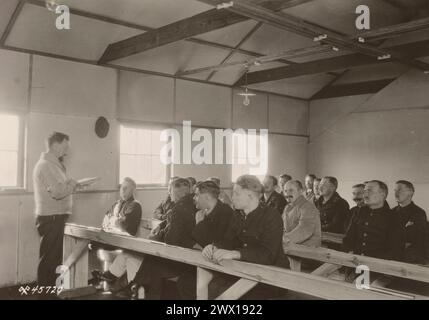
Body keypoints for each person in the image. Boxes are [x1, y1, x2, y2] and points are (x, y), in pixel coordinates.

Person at [202, 175, 284, 299]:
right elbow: (228, 240)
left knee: (227, 293)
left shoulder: (271, 216)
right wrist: (214, 247)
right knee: (213, 287)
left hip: (271, 278)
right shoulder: (238, 215)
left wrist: (237, 254)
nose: (232, 198)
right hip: (245, 271)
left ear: (250, 195)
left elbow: (268, 254)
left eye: (236, 194)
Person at [131, 178, 198, 299]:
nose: (169, 194)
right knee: (152, 260)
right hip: (191, 254)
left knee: (153, 262)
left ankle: (139, 287)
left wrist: (157, 235)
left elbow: (170, 240)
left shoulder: (178, 209)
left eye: (170, 191)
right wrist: (162, 226)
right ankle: (137, 285)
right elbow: (170, 221)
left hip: (183, 260)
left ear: (177, 192)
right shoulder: (194, 205)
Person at [33, 132, 80, 288]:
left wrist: (72, 185)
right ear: (55, 145)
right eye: (65, 147)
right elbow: (57, 192)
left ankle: (49, 294)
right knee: (49, 261)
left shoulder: (53, 165)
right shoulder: (46, 165)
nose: (66, 151)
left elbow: (60, 188)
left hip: (55, 218)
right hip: (51, 219)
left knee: (53, 260)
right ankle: (45, 296)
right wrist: (72, 185)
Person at [92, 177, 142, 284]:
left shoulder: (135, 205)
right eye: (121, 188)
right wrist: (113, 221)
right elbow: (105, 219)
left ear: (133, 191)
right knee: (90, 241)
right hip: (114, 238)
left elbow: (125, 225)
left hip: (124, 241)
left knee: (91, 243)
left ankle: (109, 276)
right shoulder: (117, 203)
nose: (122, 191)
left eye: (126, 188)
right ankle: (107, 276)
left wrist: (113, 221)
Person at [343, 180, 397, 259]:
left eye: (369, 191)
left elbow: (394, 250)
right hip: (354, 261)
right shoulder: (359, 212)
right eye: (365, 191)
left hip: (377, 265)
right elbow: (348, 238)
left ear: (382, 195)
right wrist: (349, 253)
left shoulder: (393, 217)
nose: (365, 195)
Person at [282, 180, 321, 271]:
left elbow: (304, 230)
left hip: (308, 253)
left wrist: (284, 239)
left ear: (300, 191)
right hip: (292, 250)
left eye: (291, 190)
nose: (287, 194)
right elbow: (282, 227)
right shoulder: (287, 207)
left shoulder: (307, 207)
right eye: (285, 191)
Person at [391, 180, 428, 264]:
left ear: (410, 192)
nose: (396, 193)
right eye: (395, 190)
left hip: (409, 258)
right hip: (391, 256)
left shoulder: (419, 213)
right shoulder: (391, 212)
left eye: (399, 190)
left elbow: (419, 239)